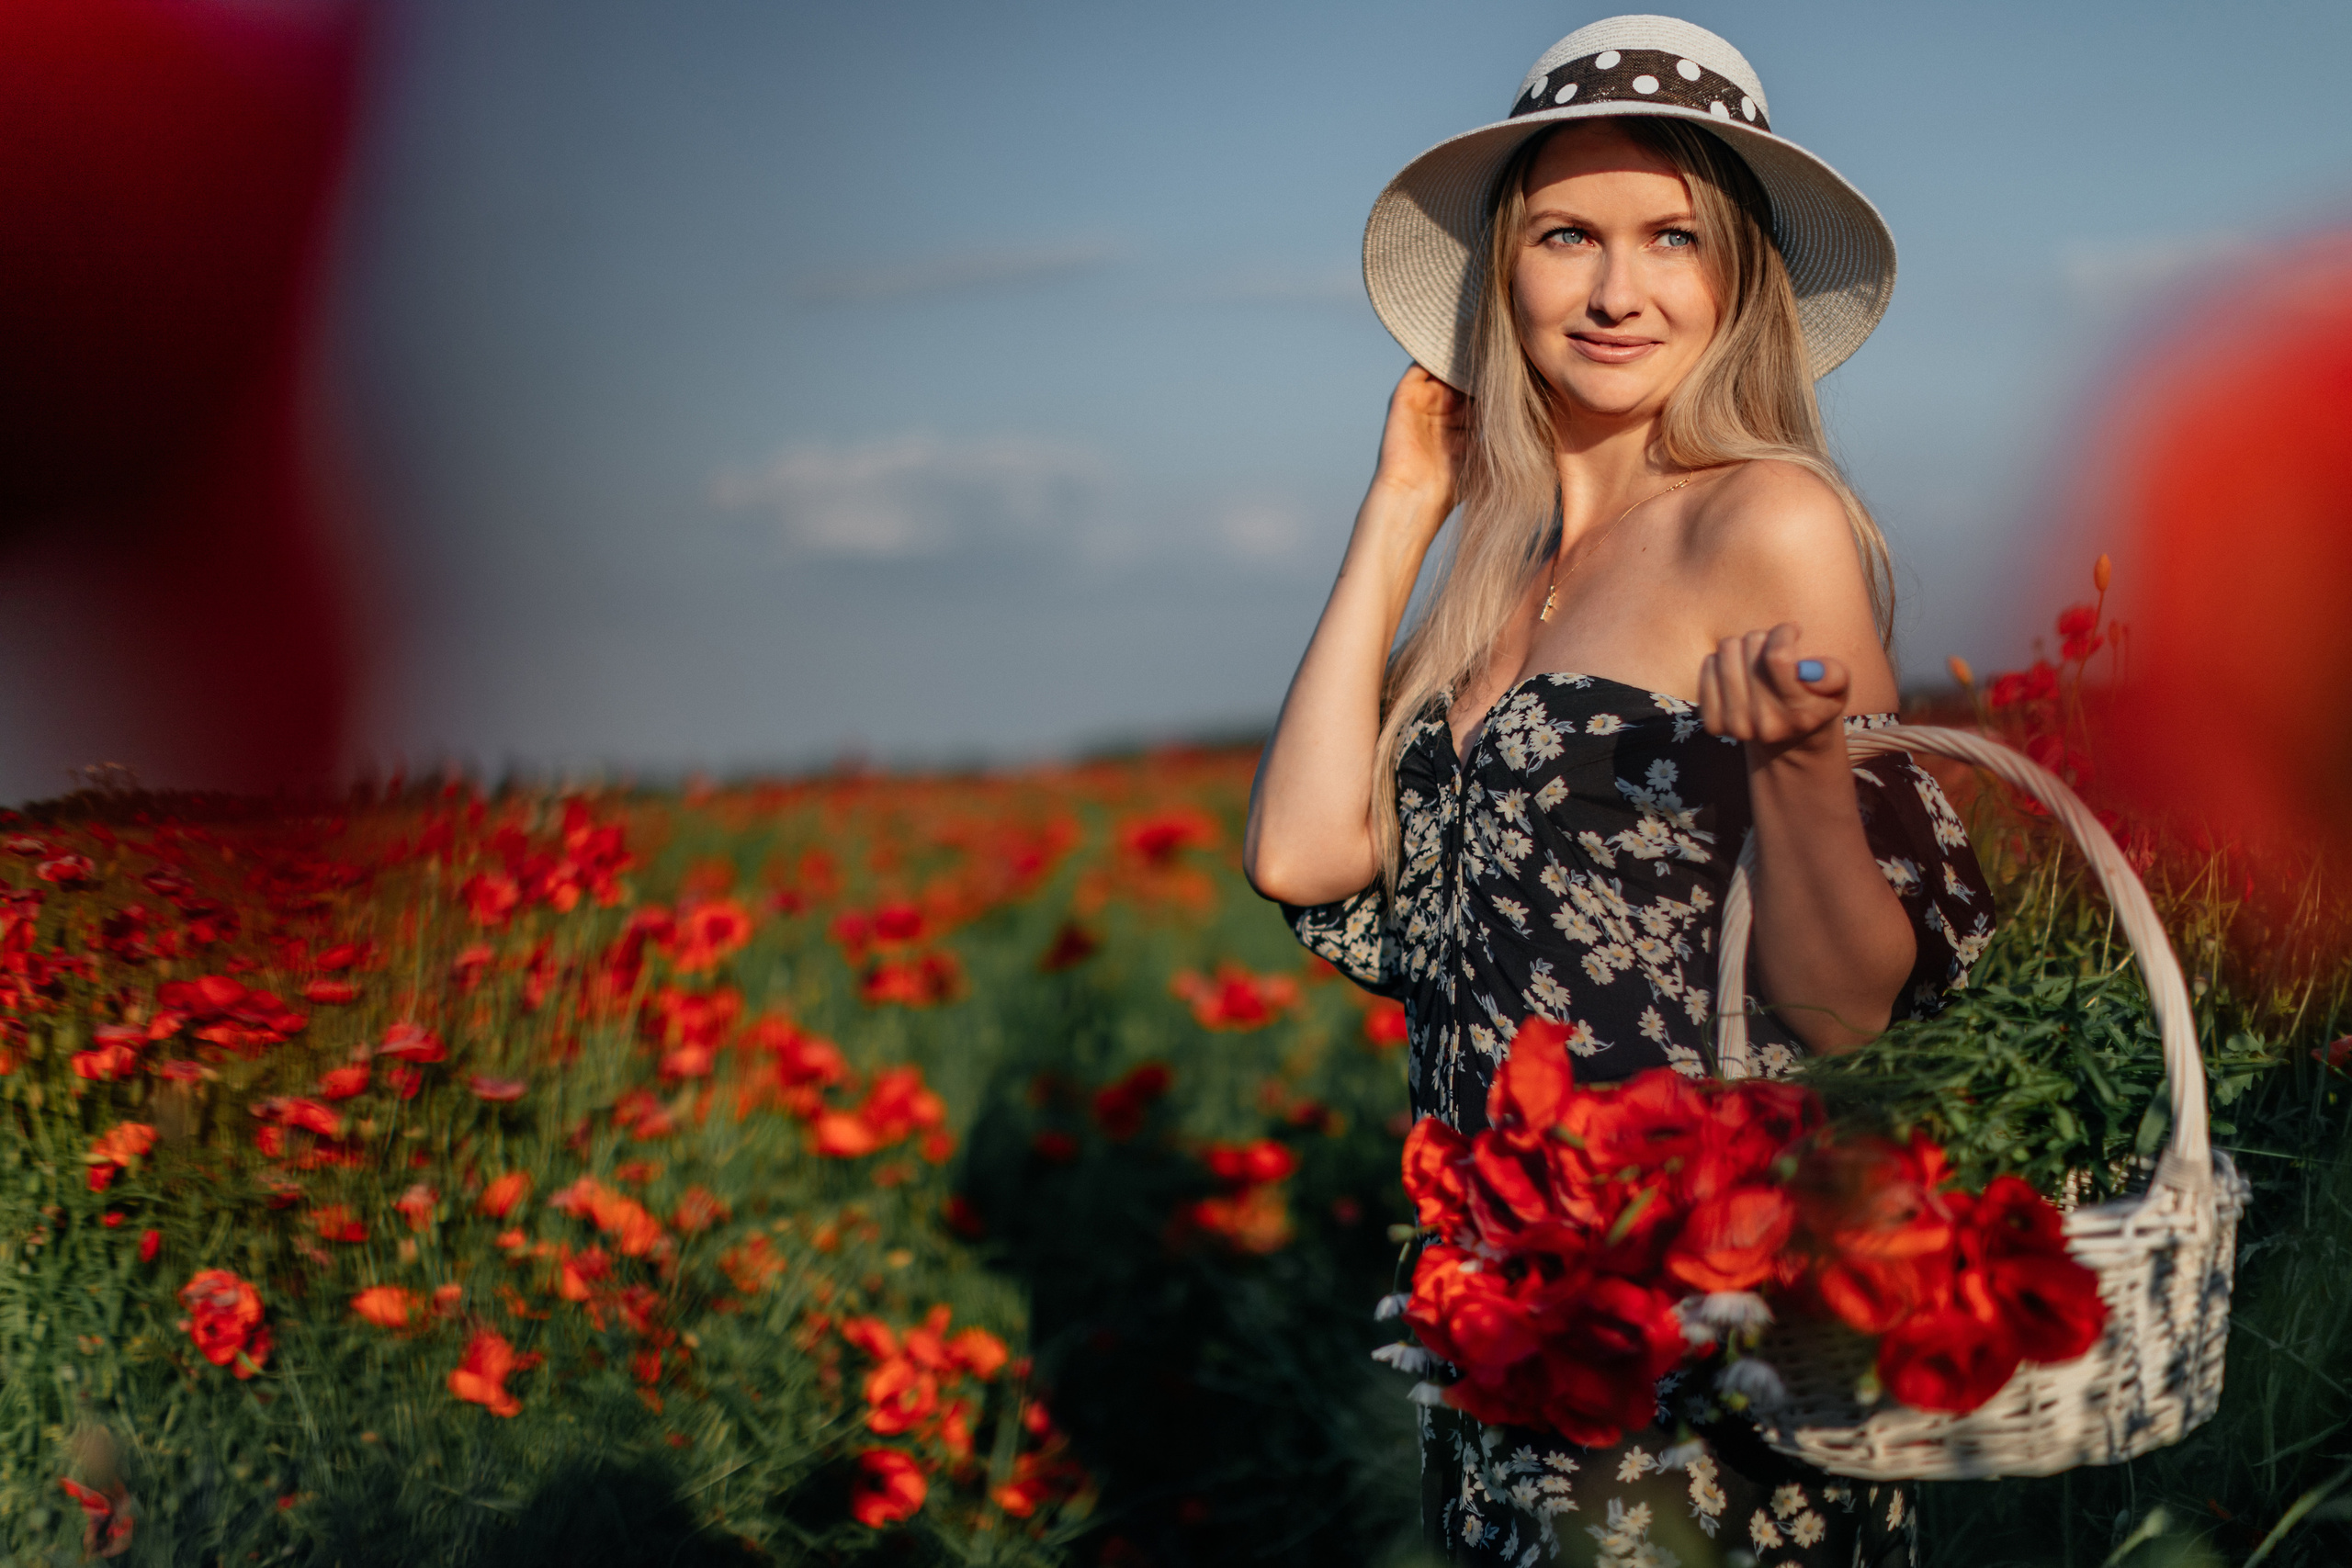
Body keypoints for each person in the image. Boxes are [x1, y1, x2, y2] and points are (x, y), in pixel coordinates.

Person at [1243, 17, 1992, 1567]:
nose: (1615, 290)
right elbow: (1307, 855)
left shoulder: (1767, 520)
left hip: (1700, 1342)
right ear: (1500, 278)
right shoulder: (1498, 570)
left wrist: (1791, 775)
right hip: (1509, 1335)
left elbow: (1851, 1004)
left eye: (1672, 239)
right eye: (1564, 237)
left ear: (1736, 284)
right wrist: (1401, 511)